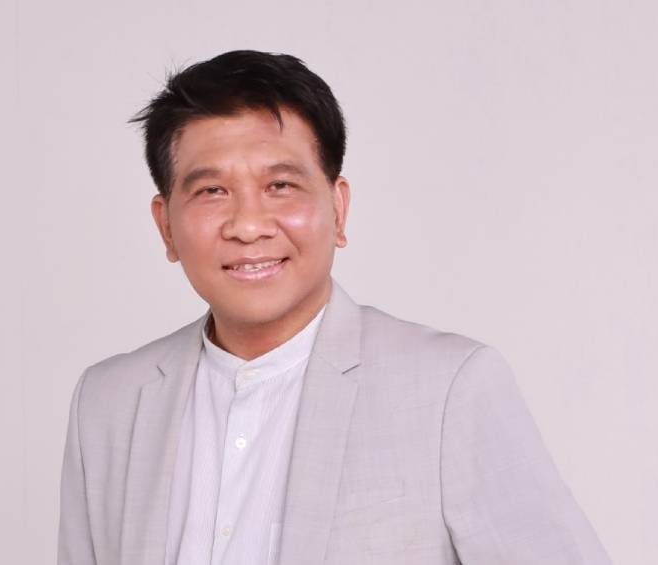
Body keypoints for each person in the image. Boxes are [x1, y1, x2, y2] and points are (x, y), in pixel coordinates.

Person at [57, 49, 613, 565]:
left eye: (280, 185)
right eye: (212, 192)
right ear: (166, 227)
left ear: (338, 208)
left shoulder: (449, 388)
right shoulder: (107, 403)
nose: (248, 226)